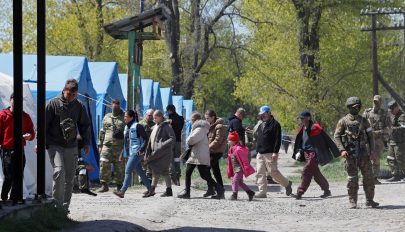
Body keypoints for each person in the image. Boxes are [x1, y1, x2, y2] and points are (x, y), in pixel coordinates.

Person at [46, 79, 91, 210]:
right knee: (59, 172)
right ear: (64, 90)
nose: (71, 97)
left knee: (70, 177)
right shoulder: (53, 104)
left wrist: (86, 142)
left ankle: (64, 209)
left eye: (74, 95)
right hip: (55, 144)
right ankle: (56, 206)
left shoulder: (79, 106)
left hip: (71, 146)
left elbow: (85, 125)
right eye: (69, 94)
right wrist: (40, 142)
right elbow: (43, 124)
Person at [334, 97, 379, 209]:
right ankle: (352, 201)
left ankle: (370, 200)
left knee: (369, 178)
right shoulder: (343, 121)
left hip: (364, 154)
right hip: (350, 155)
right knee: (352, 179)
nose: (357, 108)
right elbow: (336, 136)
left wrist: (372, 151)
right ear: (349, 107)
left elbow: (370, 137)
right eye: (354, 107)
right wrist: (342, 150)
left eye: (358, 106)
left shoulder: (364, 121)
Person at [290, 110, 340, 200]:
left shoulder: (315, 128)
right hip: (306, 154)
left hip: (314, 154)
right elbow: (301, 142)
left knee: (306, 170)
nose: (301, 120)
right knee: (315, 173)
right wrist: (299, 151)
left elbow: (326, 139)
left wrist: (336, 151)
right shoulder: (302, 129)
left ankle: (300, 192)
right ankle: (326, 190)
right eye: (300, 118)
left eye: (302, 118)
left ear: (308, 118)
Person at [178, 112, 224, 199]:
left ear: (195, 120)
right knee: (203, 174)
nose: (191, 121)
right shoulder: (200, 128)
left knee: (190, 173)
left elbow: (191, 140)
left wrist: (187, 140)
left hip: (198, 154)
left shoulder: (200, 129)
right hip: (198, 154)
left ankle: (187, 192)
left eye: (192, 120)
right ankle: (219, 189)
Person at [0, 93, 35, 206]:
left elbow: (32, 133)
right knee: (9, 175)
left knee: (19, 175)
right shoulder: (3, 115)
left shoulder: (25, 117)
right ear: (11, 100)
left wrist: (29, 136)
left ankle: (14, 199)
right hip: (7, 150)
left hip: (20, 150)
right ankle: (4, 197)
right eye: (16, 100)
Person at [255, 105, 292, 198]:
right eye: (261, 115)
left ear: (268, 113)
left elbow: (277, 140)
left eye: (263, 114)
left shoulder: (275, 124)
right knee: (259, 172)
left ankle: (287, 184)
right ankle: (262, 192)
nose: (262, 116)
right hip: (260, 152)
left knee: (273, 173)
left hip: (270, 153)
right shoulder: (261, 124)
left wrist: (275, 152)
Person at [114, 110, 152, 198]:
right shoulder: (127, 127)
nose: (124, 118)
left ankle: (122, 191)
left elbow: (146, 139)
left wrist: (141, 149)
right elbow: (127, 143)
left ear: (131, 117)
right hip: (132, 152)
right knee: (140, 172)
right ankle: (150, 190)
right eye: (124, 116)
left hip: (137, 152)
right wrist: (122, 154)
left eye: (126, 116)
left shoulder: (138, 126)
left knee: (127, 171)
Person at [144, 110, 175, 197]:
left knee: (161, 171)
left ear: (160, 117)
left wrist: (161, 145)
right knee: (158, 170)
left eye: (155, 117)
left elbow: (172, 138)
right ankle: (157, 190)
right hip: (157, 152)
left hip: (164, 153)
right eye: (153, 117)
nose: (153, 119)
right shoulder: (156, 126)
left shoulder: (166, 126)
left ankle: (154, 190)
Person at [97, 100, 126, 193]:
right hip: (107, 145)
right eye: (113, 107)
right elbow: (102, 131)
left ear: (119, 106)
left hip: (120, 146)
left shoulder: (124, 117)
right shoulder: (107, 117)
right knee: (103, 164)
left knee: (119, 166)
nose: (115, 109)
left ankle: (119, 186)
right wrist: (100, 145)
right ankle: (104, 185)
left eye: (117, 107)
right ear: (111, 106)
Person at [363, 95, 390, 184]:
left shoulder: (384, 113)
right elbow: (362, 124)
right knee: (366, 159)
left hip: (378, 140)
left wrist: (379, 132)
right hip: (368, 140)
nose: (375, 103)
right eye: (374, 101)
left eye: (377, 102)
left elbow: (388, 128)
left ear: (380, 102)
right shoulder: (367, 112)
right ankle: (367, 177)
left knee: (376, 159)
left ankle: (374, 178)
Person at [227, 131, 256, 201]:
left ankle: (234, 195)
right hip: (235, 169)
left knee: (234, 180)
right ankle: (250, 192)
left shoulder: (238, 149)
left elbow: (244, 160)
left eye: (229, 140)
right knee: (239, 182)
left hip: (240, 169)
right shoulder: (232, 149)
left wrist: (246, 167)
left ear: (234, 141)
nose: (228, 142)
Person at [204, 110, 227, 198]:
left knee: (205, 170)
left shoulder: (219, 126)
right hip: (211, 151)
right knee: (216, 171)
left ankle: (217, 190)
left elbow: (218, 140)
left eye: (207, 118)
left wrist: (208, 147)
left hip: (216, 151)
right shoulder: (210, 125)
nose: (206, 120)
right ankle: (213, 190)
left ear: (213, 117)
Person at [386, 100, 405, 182]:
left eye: (392, 109)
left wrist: (391, 129)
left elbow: (403, 127)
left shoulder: (402, 116)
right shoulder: (393, 115)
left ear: (396, 108)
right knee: (390, 158)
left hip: (400, 142)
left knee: (401, 159)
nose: (391, 111)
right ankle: (395, 175)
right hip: (392, 141)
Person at [166, 104, 185, 186]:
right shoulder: (181, 118)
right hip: (178, 141)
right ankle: (177, 177)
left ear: (169, 111)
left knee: (170, 160)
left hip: (170, 141)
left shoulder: (168, 120)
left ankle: (173, 178)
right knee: (177, 159)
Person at [139, 109, 155, 181]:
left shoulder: (154, 124)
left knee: (150, 161)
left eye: (152, 116)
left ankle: (149, 176)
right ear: (146, 115)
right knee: (142, 161)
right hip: (143, 145)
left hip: (151, 145)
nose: (150, 117)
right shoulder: (141, 123)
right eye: (149, 115)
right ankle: (142, 178)